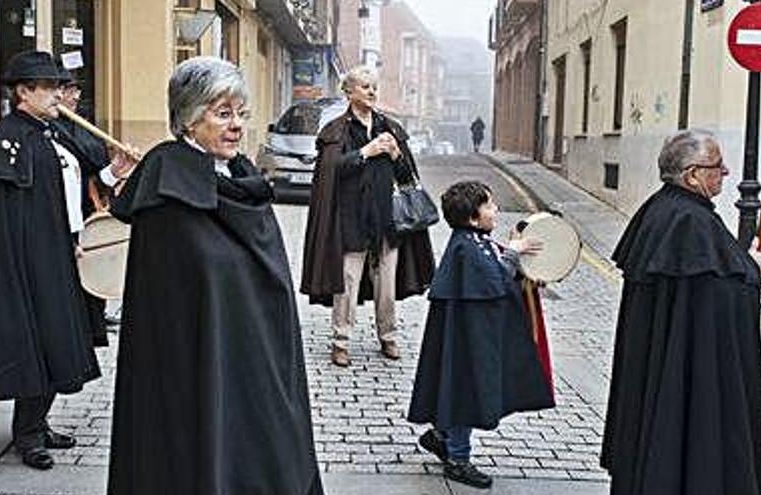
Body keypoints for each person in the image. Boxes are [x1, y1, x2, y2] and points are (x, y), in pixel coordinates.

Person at [107, 56, 323, 495]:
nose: (237, 126)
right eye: (223, 114)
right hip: (197, 374)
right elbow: (174, 308)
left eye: (241, 114)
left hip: (257, 363)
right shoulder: (168, 186)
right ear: (188, 119)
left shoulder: (241, 176)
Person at [600, 129, 761, 495]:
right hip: (688, 379)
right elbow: (718, 298)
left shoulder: (658, 209)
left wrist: (741, 268)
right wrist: (753, 272)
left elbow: (703, 282)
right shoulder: (692, 222)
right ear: (692, 175)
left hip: (656, 370)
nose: (725, 173)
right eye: (717, 166)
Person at [0, 51, 102, 470]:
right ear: (23, 92)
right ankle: (27, 435)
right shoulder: (6, 141)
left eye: (60, 87)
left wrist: (114, 171)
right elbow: (3, 220)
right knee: (38, 343)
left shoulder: (52, 133)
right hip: (29, 263)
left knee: (57, 342)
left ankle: (38, 424)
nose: (58, 95)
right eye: (49, 87)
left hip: (61, 253)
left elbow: (73, 189)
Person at [408, 181, 556, 489]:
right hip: (468, 341)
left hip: (470, 337)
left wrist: (524, 273)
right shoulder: (467, 246)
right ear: (473, 218)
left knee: (459, 389)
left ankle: (440, 435)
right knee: (464, 394)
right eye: (489, 205)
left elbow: (499, 276)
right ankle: (458, 460)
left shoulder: (476, 240)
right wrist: (513, 254)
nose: (496, 210)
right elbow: (494, 279)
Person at [301, 66, 435, 367]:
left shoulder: (391, 128)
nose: (373, 91)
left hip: (387, 220)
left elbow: (407, 177)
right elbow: (332, 171)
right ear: (349, 92)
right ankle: (341, 341)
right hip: (350, 220)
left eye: (375, 86)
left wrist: (396, 155)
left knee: (386, 286)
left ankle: (388, 338)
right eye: (365, 86)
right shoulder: (337, 131)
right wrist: (367, 151)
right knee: (347, 283)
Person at [53, 64, 134, 347]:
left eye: (75, 89)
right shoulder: (50, 132)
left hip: (88, 215)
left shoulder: (79, 127)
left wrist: (115, 170)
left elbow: (92, 178)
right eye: (67, 90)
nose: (74, 96)